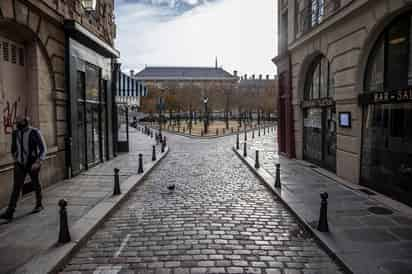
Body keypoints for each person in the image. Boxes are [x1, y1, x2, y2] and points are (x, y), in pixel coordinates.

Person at [0, 116, 47, 222]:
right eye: (17, 122)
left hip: (33, 163)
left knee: (36, 184)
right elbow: (13, 148)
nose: (18, 123)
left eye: (20, 121)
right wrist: (15, 158)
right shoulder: (15, 133)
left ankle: (39, 205)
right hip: (19, 164)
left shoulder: (35, 132)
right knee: (16, 187)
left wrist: (38, 161)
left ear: (25, 122)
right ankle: (10, 212)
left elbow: (43, 149)